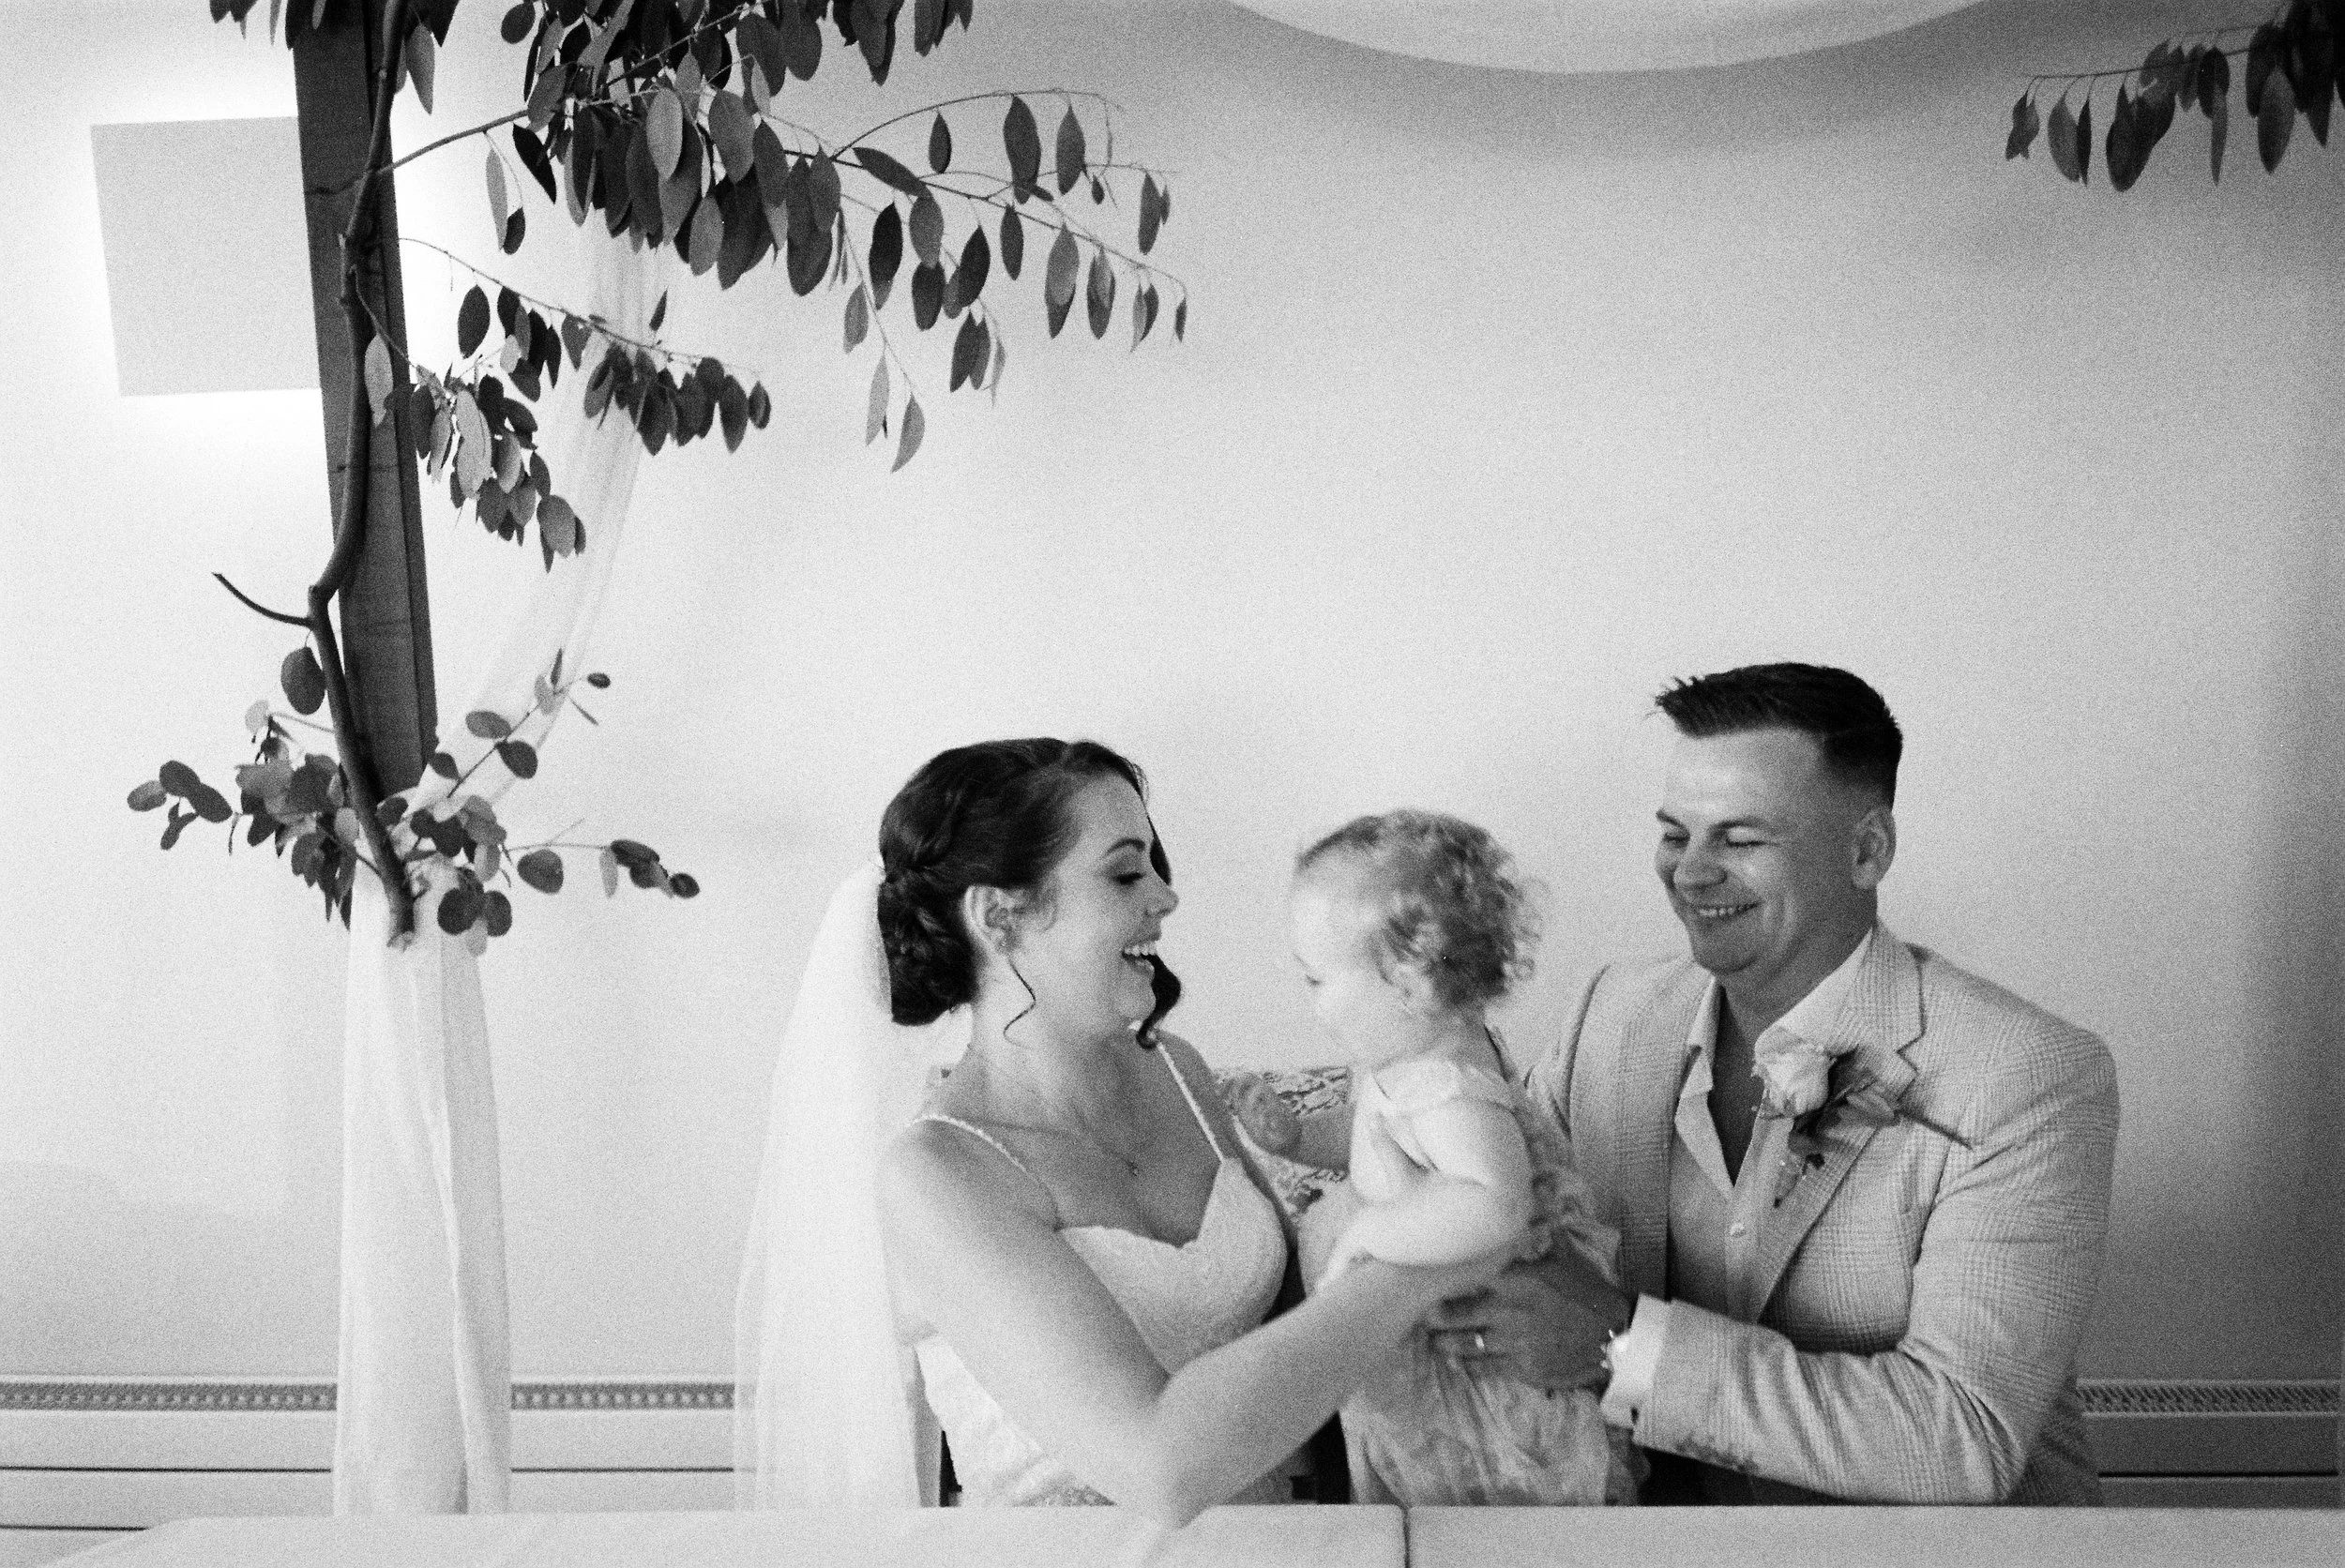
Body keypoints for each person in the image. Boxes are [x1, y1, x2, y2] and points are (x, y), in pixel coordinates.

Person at [734, 738, 1519, 1524]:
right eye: (1123, 872)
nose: (1165, 897)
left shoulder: (1177, 1069)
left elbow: (1306, 1361)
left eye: (1152, 862)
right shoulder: (938, 1173)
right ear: (999, 916)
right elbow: (1159, 1470)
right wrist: (1437, 1244)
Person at [1426, 664, 2119, 1504]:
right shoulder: (1610, 1011)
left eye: (1740, 840)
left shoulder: (2025, 1077)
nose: (1690, 874)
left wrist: (1621, 1341)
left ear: (1868, 851)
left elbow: (1959, 1438)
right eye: (1676, 834)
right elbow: (1510, 1216)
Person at [1234, 810, 1639, 1506]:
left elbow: (1491, 1202)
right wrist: (1301, 1141)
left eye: (1316, 980)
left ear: (1409, 983)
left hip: (1490, 1370)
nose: (1309, 1000)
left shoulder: (1448, 1088)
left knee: (1483, 1517)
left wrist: (1363, 1234)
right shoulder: (1406, 1060)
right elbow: (1379, 1138)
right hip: (1435, 1344)